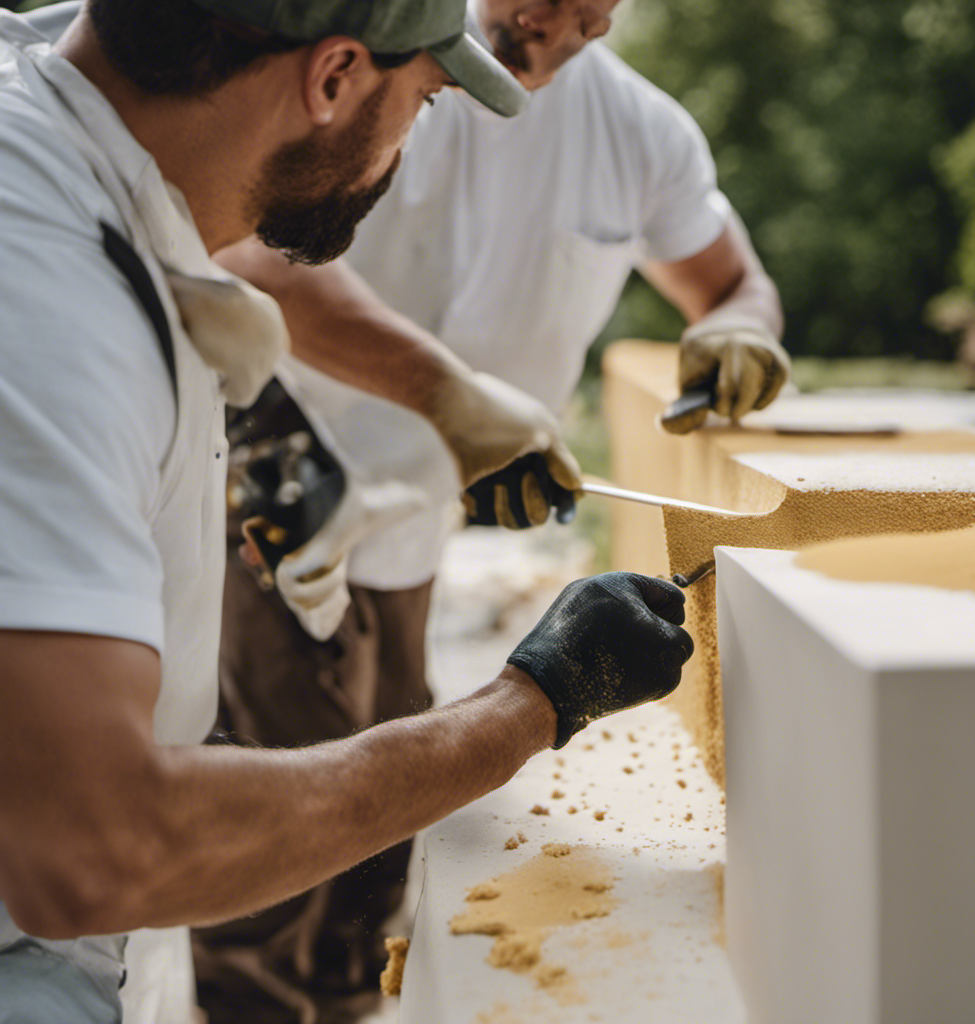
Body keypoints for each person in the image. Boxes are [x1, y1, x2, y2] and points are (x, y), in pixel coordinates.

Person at [0, 1, 683, 1021]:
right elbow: (95, 849)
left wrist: (258, 444)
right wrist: (529, 704)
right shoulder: (52, 299)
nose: (410, 139)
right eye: (422, 99)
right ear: (333, 79)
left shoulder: (61, 132)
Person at [197, 0, 786, 1016]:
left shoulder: (639, 134)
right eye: (534, 9)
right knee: (279, 818)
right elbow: (237, 245)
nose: (552, 40)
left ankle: (344, 999)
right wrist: (447, 397)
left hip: (417, 521)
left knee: (378, 820)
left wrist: (739, 330)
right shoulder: (367, 66)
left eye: (588, 23)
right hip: (280, 477)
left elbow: (735, 282)